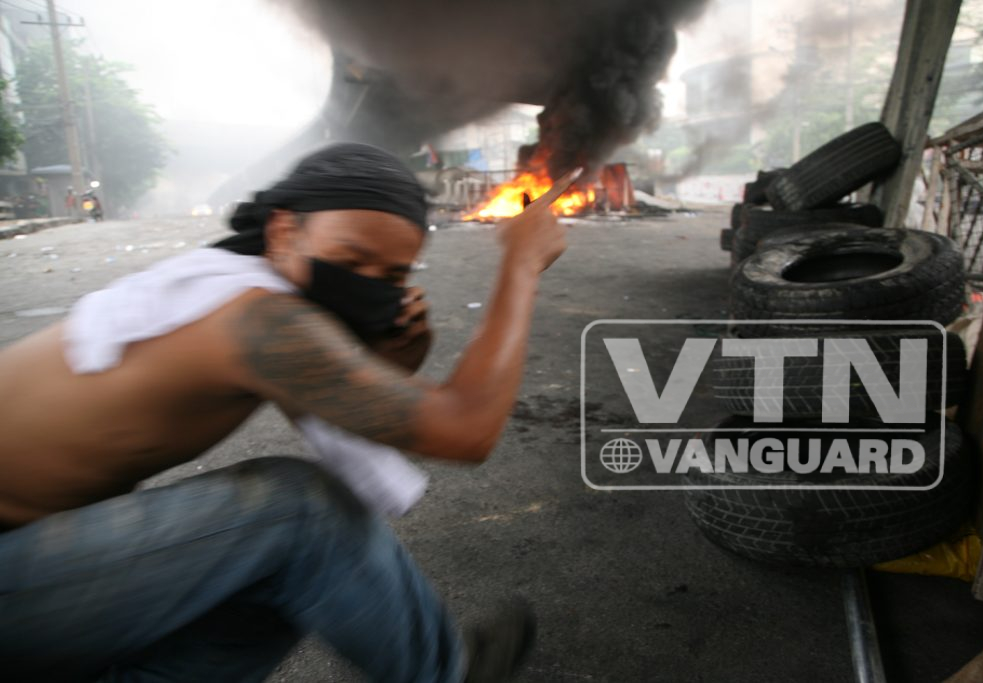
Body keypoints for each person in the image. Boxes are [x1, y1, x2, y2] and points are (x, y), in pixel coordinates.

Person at [0, 142, 579, 681]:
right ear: (283, 231)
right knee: (301, 514)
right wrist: (520, 267)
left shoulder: (235, 285)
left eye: (393, 276)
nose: (368, 284)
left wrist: (396, 353)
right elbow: (466, 428)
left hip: (37, 557)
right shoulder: (255, 320)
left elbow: (367, 398)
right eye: (351, 258)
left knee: (285, 576)